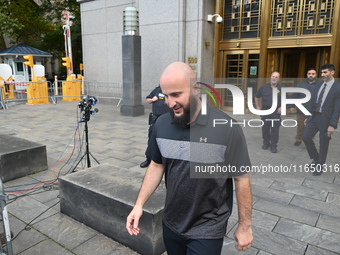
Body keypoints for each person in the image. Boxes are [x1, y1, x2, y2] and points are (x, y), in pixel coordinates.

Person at [126, 62, 253, 254]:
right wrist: (139, 205)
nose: (170, 103)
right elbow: (156, 165)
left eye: (176, 94)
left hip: (208, 227)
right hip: (171, 223)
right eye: (165, 95)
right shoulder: (161, 124)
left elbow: (241, 178)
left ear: (195, 88)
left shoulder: (227, 128)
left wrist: (245, 226)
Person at [302, 64, 340, 176]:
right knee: (306, 137)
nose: (322, 75)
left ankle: (319, 165)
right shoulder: (318, 84)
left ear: (332, 72)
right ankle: (316, 158)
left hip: (326, 120)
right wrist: (308, 117)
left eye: (325, 72)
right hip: (314, 117)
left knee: (323, 143)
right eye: (322, 72)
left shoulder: (337, 88)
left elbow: (337, 109)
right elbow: (313, 101)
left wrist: (332, 125)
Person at [140, 85, 168, 168]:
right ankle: (148, 159)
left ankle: (164, 161)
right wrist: (152, 100)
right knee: (151, 140)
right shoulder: (156, 90)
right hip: (155, 120)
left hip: (167, 121)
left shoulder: (172, 91)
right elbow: (147, 100)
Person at [254, 71, 282, 153]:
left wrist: (282, 106)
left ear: (278, 78)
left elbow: (286, 99)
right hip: (265, 111)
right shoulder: (263, 87)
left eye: (276, 77)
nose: (274, 78)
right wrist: (258, 106)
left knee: (275, 129)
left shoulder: (282, 88)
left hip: (275, 113)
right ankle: (266, 143)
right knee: (265, 128)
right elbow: (256, 96)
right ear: (270, 77)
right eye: (273, 76)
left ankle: (273, 145)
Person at [289, 68, 318, 146]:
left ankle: (310, 141)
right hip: (301, 110)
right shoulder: (300, 85)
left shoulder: (320, 85)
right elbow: (294, 95)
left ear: (316, 75)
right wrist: (292, 106)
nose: (311, 75)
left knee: (312, 128)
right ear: (307, 75)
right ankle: (298, 139)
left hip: (314, 111)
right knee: (301, 127)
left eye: (313, 74)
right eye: (309, 73)